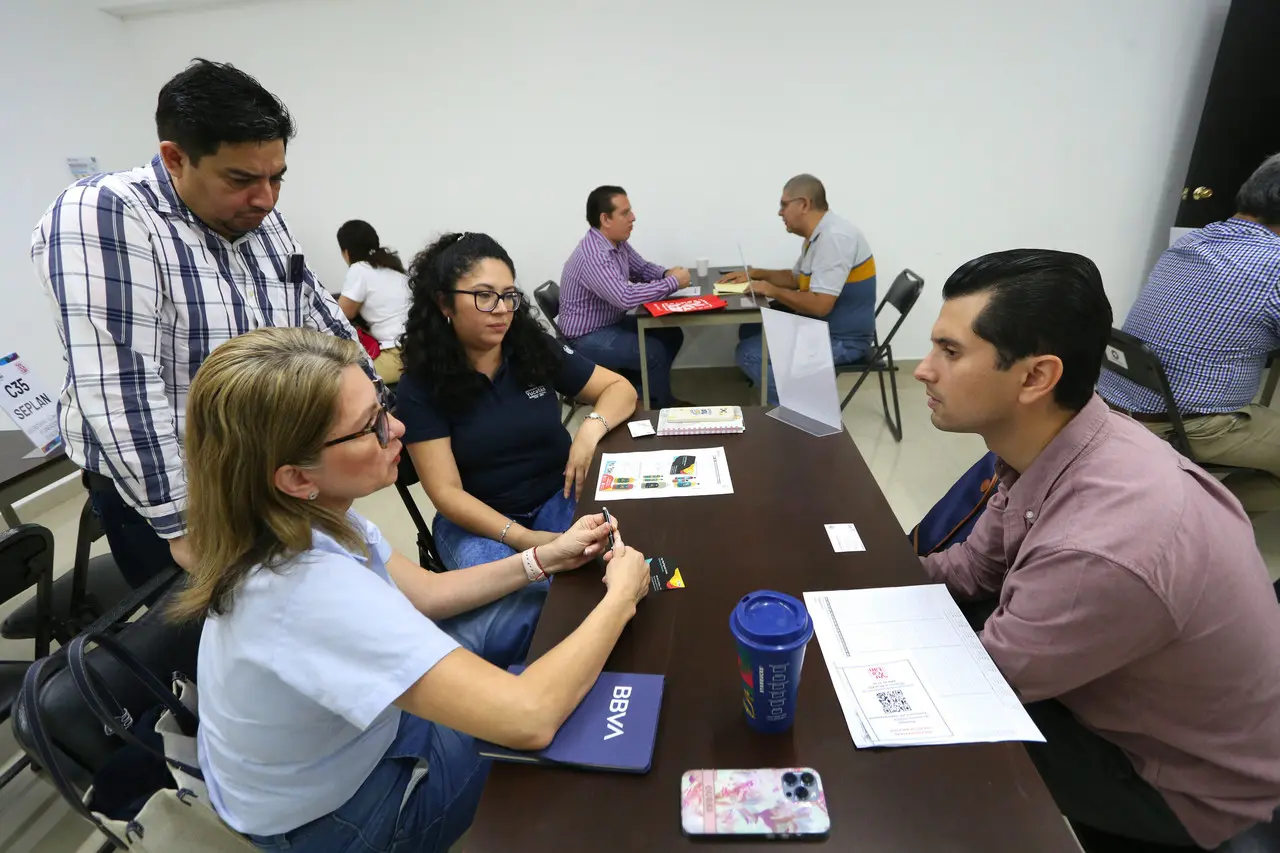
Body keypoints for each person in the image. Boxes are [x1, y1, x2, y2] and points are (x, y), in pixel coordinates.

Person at [176, 327, 651, 853]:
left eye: (383, 404)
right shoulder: (303, 592)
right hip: (345, 817)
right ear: (294, 476)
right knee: (553, 728)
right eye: (370, 427)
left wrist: (542, 559)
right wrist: (620, 598)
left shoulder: (305, 514)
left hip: (359, 742)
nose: (396, 426)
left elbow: (425, 593)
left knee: (538, 609)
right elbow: (530, 718)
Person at [915, 248, 1280, 850]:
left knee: (906, 751)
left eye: (950, 352)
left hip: (1178, 787)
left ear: (1036, 376)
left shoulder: (1102, 545)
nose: (923, 370)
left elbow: (980, 687)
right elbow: (973, 567)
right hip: (1110, 692)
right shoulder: (1063, 439)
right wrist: (855, 578)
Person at [30, 59, 364, 588]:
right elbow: (121, 387)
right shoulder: (105, 213)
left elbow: (319, 317)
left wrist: (376, 411)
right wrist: (184, 525)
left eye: (276, 177)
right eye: (242, 179)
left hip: (263, 469)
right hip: (176, 487)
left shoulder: (260, 217)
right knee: (206, 646)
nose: (266, 198)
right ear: (175, 158)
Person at [396, 233, 635, 610]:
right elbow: (446, 493)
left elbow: (620, 389)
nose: (502, 309)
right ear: (445, 302)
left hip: (558, 496)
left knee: (609, 568)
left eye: (509, 295)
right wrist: (526, 539)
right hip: (477, 525)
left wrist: (590, 429)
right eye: (484, 295)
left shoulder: (529, 349)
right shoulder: (421, 385)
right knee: (528, 604)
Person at [1097, 153, 1280, 516]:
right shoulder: (1275, 263)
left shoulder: (1192, 240)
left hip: (1113, 400)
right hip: (1187, 423)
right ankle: (1194, 514)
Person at [720, 175, 876, 405]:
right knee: (750, 328)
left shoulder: (835, 239)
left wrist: (772, 290)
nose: (780, 212)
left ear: (804, 204)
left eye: (784, 204)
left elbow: (820, 305)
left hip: (843, 340)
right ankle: (789, 391)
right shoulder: (818, 235)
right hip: (824, 327)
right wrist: (756, 273)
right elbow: (795, 279)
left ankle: (799, 412)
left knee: (750, 353)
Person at [557, 185, 691, 408]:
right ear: (605, 219)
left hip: (609, 323)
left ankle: (640, 396)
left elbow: (641, 269)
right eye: (625, 213)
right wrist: (673, 282)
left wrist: (666, 274)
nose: (633, 217)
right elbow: (625, 297)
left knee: (671, 333)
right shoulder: (594, 255)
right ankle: (660, 410)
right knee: (653, 352)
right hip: (585, 337)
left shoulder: (617, 244)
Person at [336, 219, 411, 384]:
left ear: (346, 252)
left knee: (344, 380)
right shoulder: (394, 269)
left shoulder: (359, 270)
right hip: (417, 351)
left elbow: (340, 314)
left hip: (395, 356)